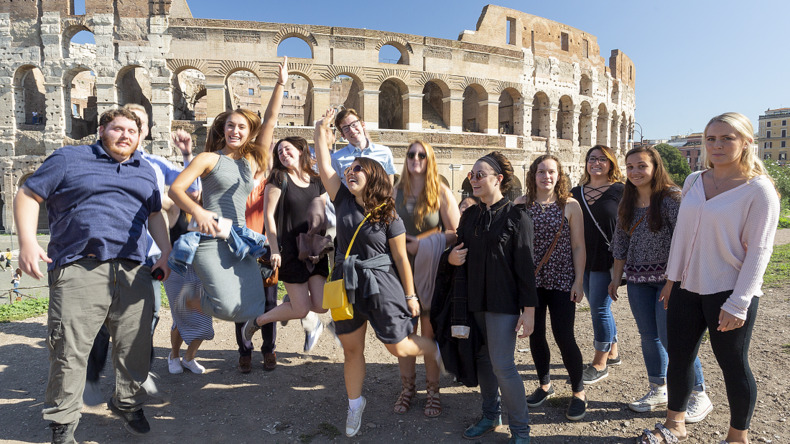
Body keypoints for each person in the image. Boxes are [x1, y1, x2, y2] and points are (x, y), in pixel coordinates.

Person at [14, 107, 170, 442]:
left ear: (140, 136)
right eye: (118, 129)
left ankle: (127, 402)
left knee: (136, 346)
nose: (125, 135)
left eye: (132, 130)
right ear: (102, 130)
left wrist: (166, 253)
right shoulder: (69, 159)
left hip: (133, 269)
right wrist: (27, 242)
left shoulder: (144, 170)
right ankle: (63, 423)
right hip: (80, 267)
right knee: (69, 350)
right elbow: (28, 194)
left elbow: (155, 214)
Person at [639, 113, 779, 444]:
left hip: (729, 291)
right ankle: (675, 425)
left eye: (727, 138)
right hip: (687, 287)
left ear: (746, 142)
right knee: (680, 356)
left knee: (733, 365)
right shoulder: (694, 181)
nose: (716, 145)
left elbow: (760, 251)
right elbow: (683, 237)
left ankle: (737, 437)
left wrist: (739, 302)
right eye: (711, 138)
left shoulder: (759, 190)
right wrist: (672, 279)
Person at [312, 108, 440, 438]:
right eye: (350, 169)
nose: (350, 172)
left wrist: (410, 296)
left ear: (373, 176)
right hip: (346, 282)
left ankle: (433, 348)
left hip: (383, 284)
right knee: (352, 350)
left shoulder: (390, 215)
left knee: (398, 347)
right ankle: (355, 405)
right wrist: (319, 129)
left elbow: (400, 259)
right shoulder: (340, 200)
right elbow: (325, 166)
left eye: (358, 169)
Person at [83, 104, 200, 404]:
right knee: (103, 318)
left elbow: (193, 189)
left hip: (145, 254)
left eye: (140, 124)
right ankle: (93, 375)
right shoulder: (93, 160)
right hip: (103, 254)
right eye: (125, 124)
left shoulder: (155, 164)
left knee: (149, 314)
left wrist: (187, 155)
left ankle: (134, 376)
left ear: (145, 131)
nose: (134, 129)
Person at [168, 58, 287, 323]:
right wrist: (198, 212)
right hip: (208, 237)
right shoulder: (208, 158)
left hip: (239, 238)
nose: (235, 130)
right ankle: (192, 297)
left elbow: (270, 121)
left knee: (254, 306)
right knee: (224, 307)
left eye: (241, 127)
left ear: (248, 133)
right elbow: (175, 190)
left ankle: (247, 333)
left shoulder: (251, 162)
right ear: (223, 129)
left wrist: (280, 84)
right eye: (230, 125)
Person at [609, 146, 712, 421]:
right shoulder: (626, 202)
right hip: (638, 281)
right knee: (648, 337)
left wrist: (672, 281)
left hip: (669, 281)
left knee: (674, 340)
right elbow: (621, 242)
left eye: (641, 166)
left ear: (655, 167)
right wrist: (616, 277)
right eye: (630, 167)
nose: (635, 172)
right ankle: (658, 387)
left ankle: (698, 393)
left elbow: (687, 240)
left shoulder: (671, 199)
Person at [448, 151, 537, 444]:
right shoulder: (471, 215)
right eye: (471, 175)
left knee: (502, 364)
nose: (473, 179)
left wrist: (529, 310)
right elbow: (459, 249)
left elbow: (526, 267)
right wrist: (452, 258)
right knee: (483, 360)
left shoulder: (517, 216)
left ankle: (521, 431)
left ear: (498, 179)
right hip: (474, 301)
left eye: (480, 175)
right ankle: (490, 415)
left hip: (504, 303)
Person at [241, 136, 331, 351]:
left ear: (301, 150)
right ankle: (257, 322)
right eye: (280, 151)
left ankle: (291, 298)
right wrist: (274, 249)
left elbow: (324, 212)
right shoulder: (279, 178)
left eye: (287, 149)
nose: (283, 153)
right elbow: (268, 217)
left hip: (314, 249)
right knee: (300, 310)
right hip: (290, 250)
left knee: (321, 305)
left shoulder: (317, 180)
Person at [515, 154, 587, 421]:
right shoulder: (521, 204)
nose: (546, 176)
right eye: (541, 171)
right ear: (533, 175)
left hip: (561, 280)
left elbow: (579, 246)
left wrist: (578, 281)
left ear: (559, 176)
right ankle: (545, 385)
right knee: (535, 334)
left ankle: (578, 391)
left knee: (564, 335)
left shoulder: (569, 205)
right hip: (531, 282)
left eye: (551, 172)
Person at [392, 140, 460, 417]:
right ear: (405, 159)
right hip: (398, 274)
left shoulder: (441, 192)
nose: (415, 158)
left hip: (430, 272)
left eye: (422, 154)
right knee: (404, 334)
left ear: (429, 159)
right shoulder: (394, 191)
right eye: (411, 154)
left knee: (429, 332)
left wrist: (421, 243)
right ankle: (408, 389)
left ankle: (433, 391)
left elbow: (456, 232)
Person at [570, 145, 623, 384]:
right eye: (592, 159)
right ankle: (612, 351)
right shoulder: (576, 191)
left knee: (599, 309)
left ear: (611, 164)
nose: (597, 163)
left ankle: (599, 362)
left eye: (603, 159)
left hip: (607, 257)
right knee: (600, 307)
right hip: (582, 258)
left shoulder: (620, 191)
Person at [162, 179, 215, 375]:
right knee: (181, 317)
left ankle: (189, 357)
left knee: (204, 321)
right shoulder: (175, 208)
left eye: (197, 186)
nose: (193, 190)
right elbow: (157, 198)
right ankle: (174, 356)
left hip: (201, 271)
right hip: (177, 271)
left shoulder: (210, 210)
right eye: (189, 185)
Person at [235, 165, 280, 373]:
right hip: (240, 252)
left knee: (269, 303)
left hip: (266, 249)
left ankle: (268, 349)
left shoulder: (271, 185)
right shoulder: (236, 185)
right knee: (242, 306)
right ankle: (244, 352)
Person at [331, 108, 397, 184]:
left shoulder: (384, 152)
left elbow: (389, 176)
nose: (352, 130)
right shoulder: (336, 158)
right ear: (343, 135)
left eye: (354, 124)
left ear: (363, 125)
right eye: (346, 128)